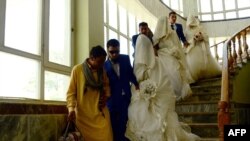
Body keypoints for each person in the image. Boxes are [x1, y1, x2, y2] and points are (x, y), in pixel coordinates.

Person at [125, 19, 200, 141]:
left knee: (155, 118)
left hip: (157, 99)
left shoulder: (150, 63)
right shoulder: (150, 61)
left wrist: (149, 91)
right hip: (149, 95)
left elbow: (162, 84)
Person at [66, 45, 113, 141]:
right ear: (92, 58)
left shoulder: (102, 72)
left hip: (100, 114)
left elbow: (107, 86)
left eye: (103, 62)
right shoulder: (77, 70)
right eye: (100, 62)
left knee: (106, 136)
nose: (102, 65)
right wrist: (71, 109)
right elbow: (71, 93)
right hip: (83, 118)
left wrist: (106, 97)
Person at [104, 39, 139, 141]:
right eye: (112, 52)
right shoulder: (104, 65)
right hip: (112, 101)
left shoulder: (125, 58)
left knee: (126, 125)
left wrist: (136, 83)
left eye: (117, 52)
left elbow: (130, 73)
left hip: (125, 98)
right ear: (107, 51)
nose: (114, 54)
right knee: (114, 127)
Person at [153, 16, 193, 101]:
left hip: (171, 55)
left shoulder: (172, 33)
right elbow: (154, 47)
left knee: (175, 71)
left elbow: (176, 45)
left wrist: (176, 52)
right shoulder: (157, 36)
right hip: (162, 57)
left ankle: (177, 92)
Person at [184, 15, 221, 82]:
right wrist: (193, 40)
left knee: (202, 62)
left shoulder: (199, 28)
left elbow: (205, 36)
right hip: (192, 48)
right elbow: (186, 41)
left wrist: (201, 37)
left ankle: (204, 74)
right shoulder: (186, 31)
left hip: (199, 47)